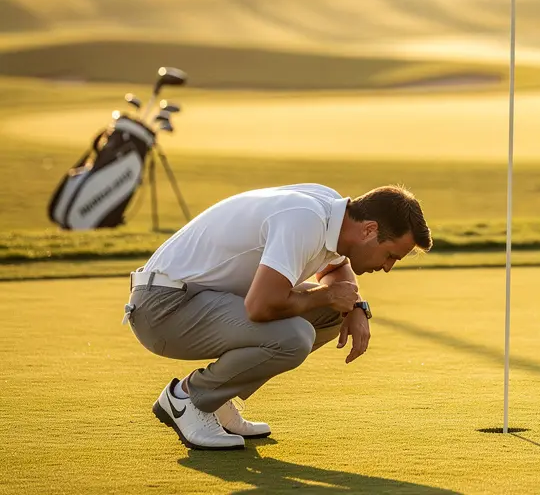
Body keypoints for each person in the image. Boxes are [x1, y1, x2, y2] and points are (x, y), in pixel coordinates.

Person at [123, 183, 432, 450]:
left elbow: (335, 268)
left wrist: (357, 307)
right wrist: (327, 296)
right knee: (294, 337)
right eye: (391, 255)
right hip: (163, 308)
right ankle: (188, 398)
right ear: (369, 230)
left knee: (331, 314)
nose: (389, 266)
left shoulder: (332, 211)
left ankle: (216, 400)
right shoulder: (306, 220)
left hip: (199, 298)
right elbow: (260, 306)